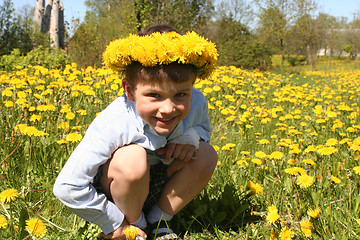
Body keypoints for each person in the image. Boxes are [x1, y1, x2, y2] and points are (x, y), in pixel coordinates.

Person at [53, 24, 218, 240]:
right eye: (154, 95)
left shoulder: (197, 102)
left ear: (192, 86)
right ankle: (135, 224)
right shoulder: (115, 120)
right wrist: (113, 222)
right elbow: (67, 187)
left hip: (161, 180)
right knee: (132, 157)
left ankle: (158, 221)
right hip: (118, 191)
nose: (168, 109)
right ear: (130, 91)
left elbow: (204, 129)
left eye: (180, 94)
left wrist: (192, 137)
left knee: (206, 154)